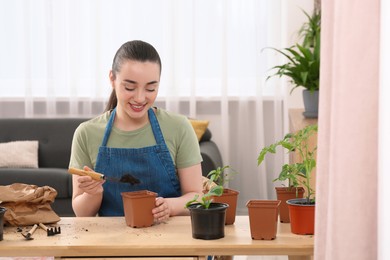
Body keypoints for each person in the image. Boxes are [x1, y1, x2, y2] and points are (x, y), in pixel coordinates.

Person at [69, 40, 203, 222]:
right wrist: (93, 193)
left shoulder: (179, 127)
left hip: (170, 242)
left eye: (150, 88)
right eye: (129, 87)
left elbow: (197, 196)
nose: (140, 98)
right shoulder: (86, 134)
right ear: (112, 79)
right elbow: (82, 213)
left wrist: (170, 206)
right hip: (112, 243)